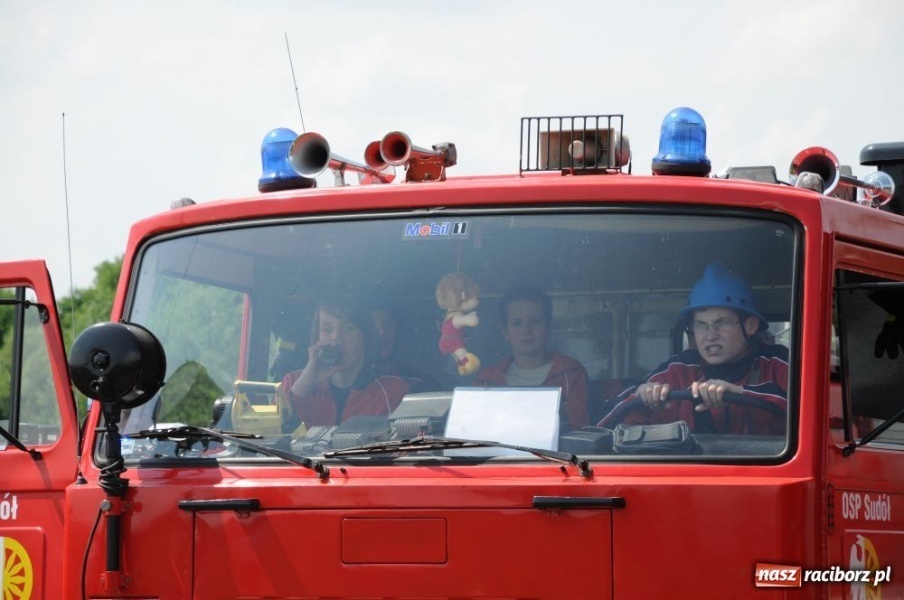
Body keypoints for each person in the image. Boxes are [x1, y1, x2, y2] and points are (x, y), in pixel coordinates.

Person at [599, 262, 789, 435]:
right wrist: (643, 401)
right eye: (701, 325)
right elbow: (605, 424)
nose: (710, 335)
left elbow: (804, 413)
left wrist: (740, 393)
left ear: (750, 326)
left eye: (722, 323)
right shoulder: (678, 369)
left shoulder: (779, 363)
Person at [473, 287, 590, 431]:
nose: (526, 330)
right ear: (505, 332)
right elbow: (474, 429)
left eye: (535, 322)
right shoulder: (486, 381)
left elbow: (579, 430)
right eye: (517, 323)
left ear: (548, 327)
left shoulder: (571, 373)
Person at [282, 300, 410, 427]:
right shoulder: (293, 382)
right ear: (317, 336)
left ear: (366, 336)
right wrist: (305, 383)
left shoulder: (393, 391)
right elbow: (273, 430)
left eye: (349, 329)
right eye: (327, 329)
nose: (336, 339)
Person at [371, 304, 439, 392]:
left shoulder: (421, 383)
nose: (382, 332)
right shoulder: (354, 386)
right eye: (373, 326)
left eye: (388, 324)